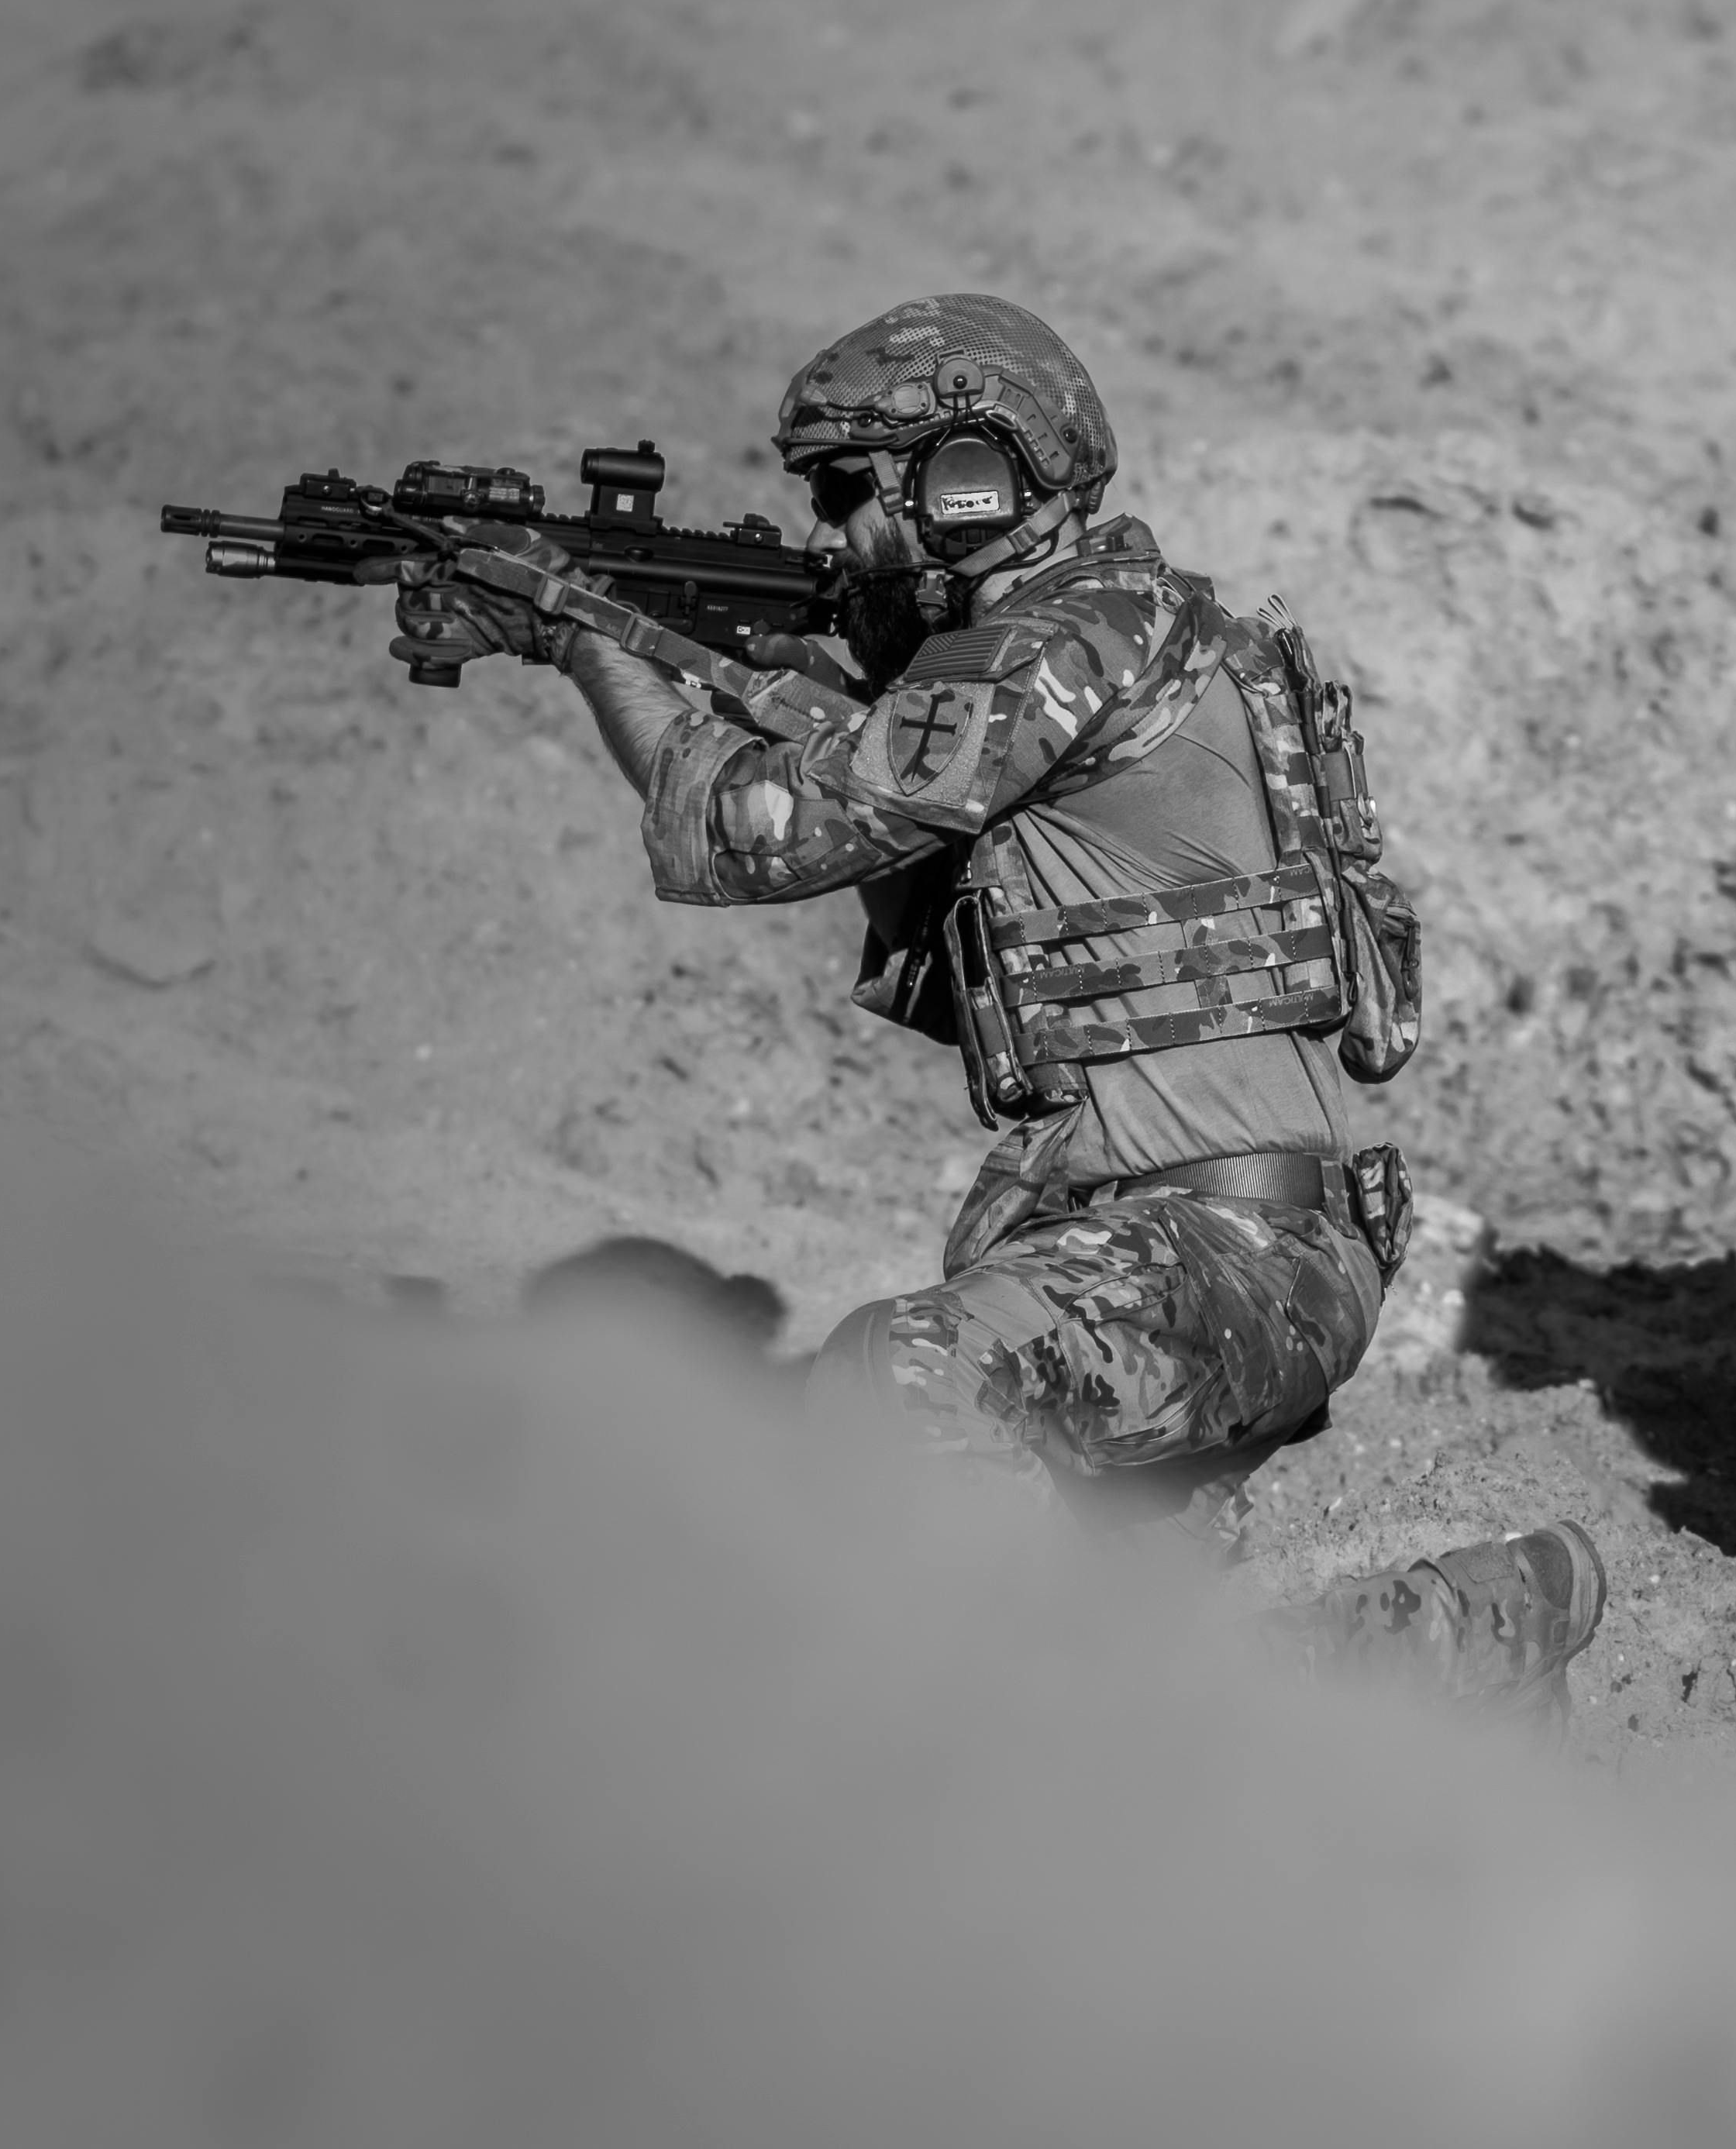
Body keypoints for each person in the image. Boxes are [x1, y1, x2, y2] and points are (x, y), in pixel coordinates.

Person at [415, 292, 1599, 1710]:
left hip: (1227, 1250)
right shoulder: (1117, 644)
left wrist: (579, 626)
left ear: (965, 482)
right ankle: (1468, 1629)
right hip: (1194, 1252)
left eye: (851, 490)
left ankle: (1413, 1645)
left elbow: (751, 827)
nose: (831, 532)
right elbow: (898, 841)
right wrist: (730, 654)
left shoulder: (1078, 639)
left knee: (905, 1383)